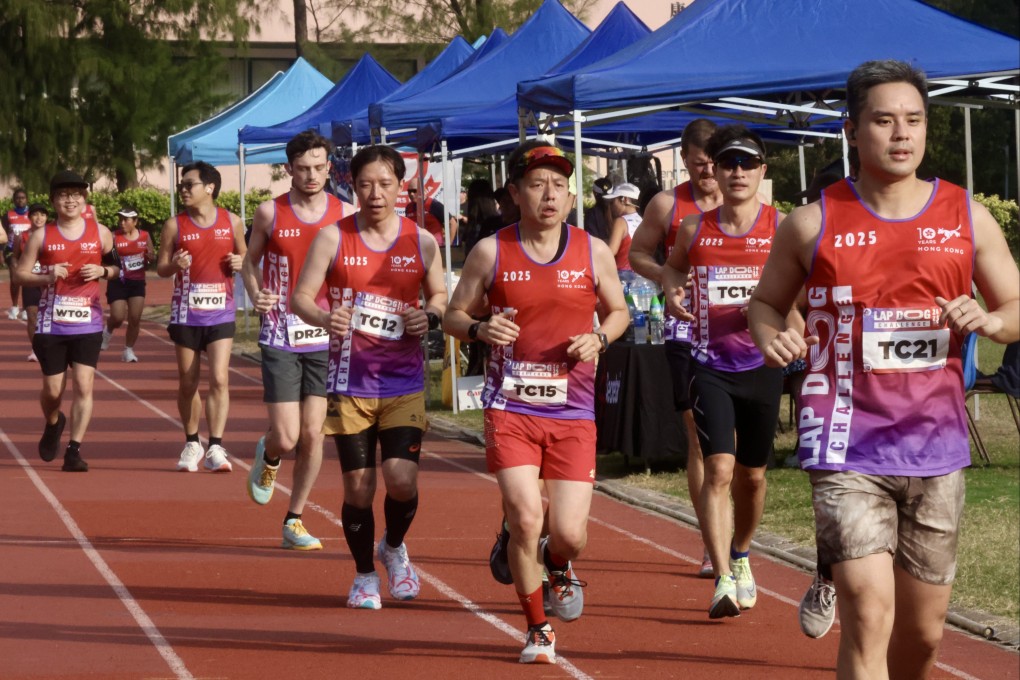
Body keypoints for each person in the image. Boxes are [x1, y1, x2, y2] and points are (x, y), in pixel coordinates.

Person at [748, 60, 1019, 679]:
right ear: (851, 130)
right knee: (869, 615)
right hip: (845, 442)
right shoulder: (812, 222)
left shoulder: (966, 217)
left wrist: (989, 320)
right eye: (884, 120)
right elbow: (765, 303)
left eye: (914, 120)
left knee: (922, 639)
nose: (902, 134)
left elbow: (1015, 308)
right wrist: (773, 336)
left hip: (935, 447)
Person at [444, 140, 629, 664]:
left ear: (570, 198)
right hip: (511, 406)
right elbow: (453, 317)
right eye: (537, 184)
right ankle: (538, 628)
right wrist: (481, 327)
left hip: (573, 410)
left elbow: (618, 311)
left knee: (568, 534)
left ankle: (560, 565)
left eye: (558, 185)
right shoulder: (490, 251)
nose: (549, 194)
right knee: (528, 518)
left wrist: (601, 338)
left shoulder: (591, 249)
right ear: (515, 193)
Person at [292, 144, 447, 610]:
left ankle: (393, 547)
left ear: (401, 187)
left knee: (401, 480)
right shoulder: (332, 238)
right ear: (352, 187)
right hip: (348, 381)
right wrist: (325, 318)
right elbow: (300, 297)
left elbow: (438, 293)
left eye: (384, 184)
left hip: (402, 381)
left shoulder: (421, 240)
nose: (375, 194)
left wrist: (430, 316)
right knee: (359, 487)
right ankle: (363, 576)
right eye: (365, 185)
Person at [662, 125, 789, 619]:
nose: (737, 172)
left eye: (747, 163)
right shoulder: (695, 229)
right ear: (712, 169)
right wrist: (672, 292)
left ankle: (741, 552)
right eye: (728, 163)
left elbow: (798, 295)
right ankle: (721, 579)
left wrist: (792, 327)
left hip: (762, 364)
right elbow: (672, 267)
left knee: (753, 478)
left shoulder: (782, 227)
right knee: (718, 467)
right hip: (708, 363)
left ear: (762, 171)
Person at [242, 131, 353, 551]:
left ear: (329, 167)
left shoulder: (346, 213)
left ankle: (295, 518)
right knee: (287, 437)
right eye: (302, 168)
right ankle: (269, 454)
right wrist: (255, 293)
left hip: (327, 334)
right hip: (281, 332)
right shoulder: (270, 212)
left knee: (313, 434)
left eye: (318, 167)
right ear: (289, 168)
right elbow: (248, 262)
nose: (311, 175)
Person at [629, 118, 722, 577]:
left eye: (714, 164)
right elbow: (636, 253)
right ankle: (712, 541)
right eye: (700, 165)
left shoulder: (742, 200)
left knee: (736, 449)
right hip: (686, 329)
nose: (708, 174)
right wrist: (666, 275)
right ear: (684, 160)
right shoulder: (668, 204)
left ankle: (732, 534)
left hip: (738, 331)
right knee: (699, 437)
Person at [16, 171, 120, 472]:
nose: (70, 200)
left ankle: (74, 450)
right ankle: (53, 421)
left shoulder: (100, 232)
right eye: (63, 195)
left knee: (84, 386)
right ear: (53, 201)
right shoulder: (41, 235)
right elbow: (20, 274)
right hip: (51, 324)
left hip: (88, 323)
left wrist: (102, 273)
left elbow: (116, 268)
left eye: (76, 194)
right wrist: (48, 276)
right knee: (52, 391)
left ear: (84, 199)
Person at [157, 161, 246, 473]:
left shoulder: (231, 221)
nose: (183, 189)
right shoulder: (174, 225)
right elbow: (161, 268)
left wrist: (239, 261)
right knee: (188, 381)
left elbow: (246, 257)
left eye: (189, 184)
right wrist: (175, 265)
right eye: (181, 184)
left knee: (220, 378)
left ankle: (217, 447)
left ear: (209, 188)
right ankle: (192, 441)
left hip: (220, 311)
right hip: (186, 314)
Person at [101, 205, 154, 362]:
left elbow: (150, 257)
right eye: (120, 219)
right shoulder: (113, 237)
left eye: (126, 220)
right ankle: (107, 331)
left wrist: (150, 258)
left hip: (137, 283)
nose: (122, 223)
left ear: (135, 221)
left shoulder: (145, 236)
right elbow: (105, 259)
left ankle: (128, 350)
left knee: (135, 318)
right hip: (118, 281)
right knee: (117, 317)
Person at [13, 202, 47, 361]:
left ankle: (52, 346)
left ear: (46, 217)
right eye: (35, 214)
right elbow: (14, 257)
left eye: (42, 214)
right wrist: (15, 267)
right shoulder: (23, 236)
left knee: (49, 316)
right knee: (32, 315)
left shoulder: (53, 235)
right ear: (29, 217)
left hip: (50, 281)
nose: (39, 218)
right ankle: (36, 350)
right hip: (31, 280)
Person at [404, 176, 458, 247]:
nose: (411, 194)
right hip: (417, 246)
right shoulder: (408, 207)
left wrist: (448, 245)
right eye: (409, 191)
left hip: (434, 247)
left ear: (423, 190)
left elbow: (453, 223)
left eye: (414, 191)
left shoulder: (433, 204)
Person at [604, 182, 641, 275]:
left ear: (624, 199)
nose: (611, 206)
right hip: (642, 276)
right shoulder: (642, 220)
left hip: (624, 276)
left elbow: (611, 251)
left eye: (613, 202)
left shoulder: (621, 222)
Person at [4, 187, 30, 320]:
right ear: (14, 200)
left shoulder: (32, 214)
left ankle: (26, 308)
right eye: (18, 198)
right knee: (15, 278)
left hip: (28, 251)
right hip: (10, 250)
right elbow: (2, 235)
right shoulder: (8, 215)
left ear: (27, 199)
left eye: (23, 197)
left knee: (26, 279)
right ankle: (14, 307)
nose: (20, 200)